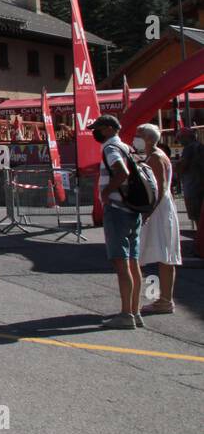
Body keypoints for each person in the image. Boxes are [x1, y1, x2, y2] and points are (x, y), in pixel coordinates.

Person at [92, 115, 142, 330]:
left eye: (98, 128)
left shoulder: (111, 148)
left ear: (108, 129)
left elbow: (122, 172)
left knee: (121, 262)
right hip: (133, 209)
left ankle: (125, 314)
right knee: (133, 261)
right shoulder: (127, 147)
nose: (95, 132)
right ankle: (135, 310)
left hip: (118, 210)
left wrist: (106, 191)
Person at [136, 124, 180, 315]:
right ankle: (163, 299)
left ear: (147, 138)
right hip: (162, 208)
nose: (135, 137)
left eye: (139, 135)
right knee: (164, 254)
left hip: (158, 210)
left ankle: (161, 300)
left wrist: (147, 212)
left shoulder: (155, 157)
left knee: (158, 253)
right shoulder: (157, 155)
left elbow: (159, 188)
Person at [177, 128, 204, 241]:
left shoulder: (189, 148)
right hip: (200, 185)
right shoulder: (200, 146)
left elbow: (183, 165)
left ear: (186, 137)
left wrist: (176, 169)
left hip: (193, 186)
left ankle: (200, 241)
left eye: (180, 138)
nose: (179, 142)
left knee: (196, 216)